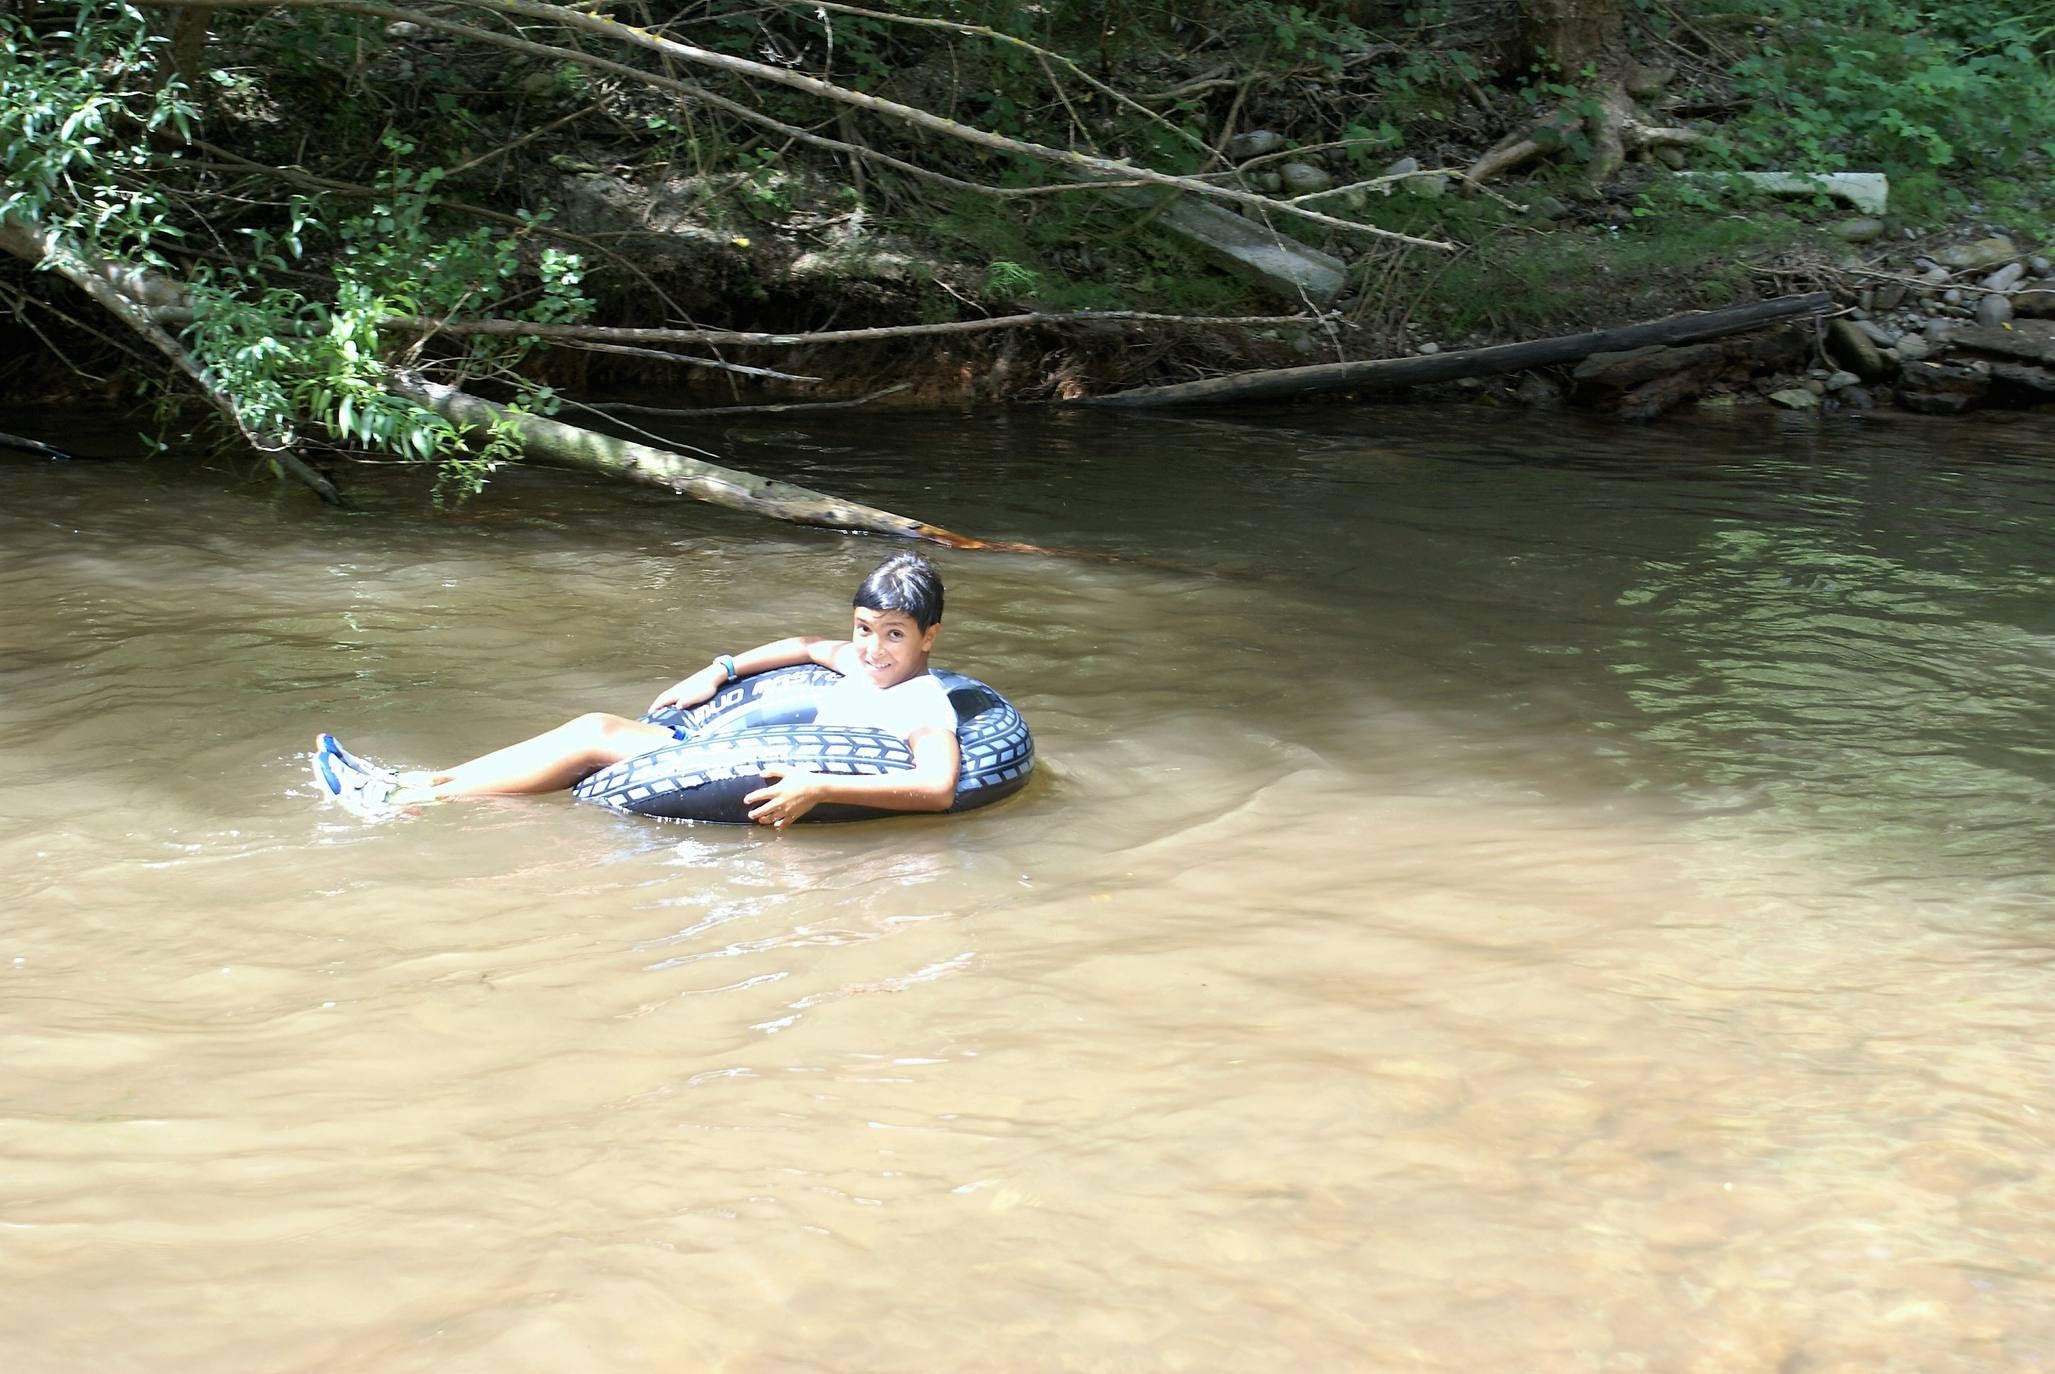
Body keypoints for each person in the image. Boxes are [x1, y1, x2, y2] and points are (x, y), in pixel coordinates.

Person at [312, 552, 962, 827]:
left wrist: (820, 788)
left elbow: (936, 789)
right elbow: (802, 646)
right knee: (589, 731)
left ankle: (406, 794)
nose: (873, 648)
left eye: (893, 635)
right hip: (746, 753)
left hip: (777, 776)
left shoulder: (921, 704)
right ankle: (423, 782)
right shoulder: (858, 660)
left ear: (928, 637)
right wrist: (720, 669)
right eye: (865, 629)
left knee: (594, 734)